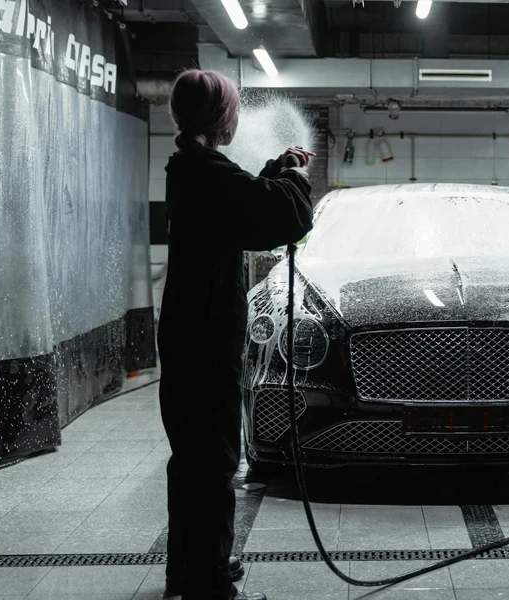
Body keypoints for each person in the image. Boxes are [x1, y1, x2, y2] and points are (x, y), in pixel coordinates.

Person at [158, 69, 314, 600]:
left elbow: (242, 205)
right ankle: (209, 584)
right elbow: (283, 214)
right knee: (215, 460)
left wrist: (276, 169)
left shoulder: (190, 168)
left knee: (192, 459)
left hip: (186, 334)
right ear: (220, 117)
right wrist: (292, 176)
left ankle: (188, 568)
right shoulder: (205, 172)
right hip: (206, 340)